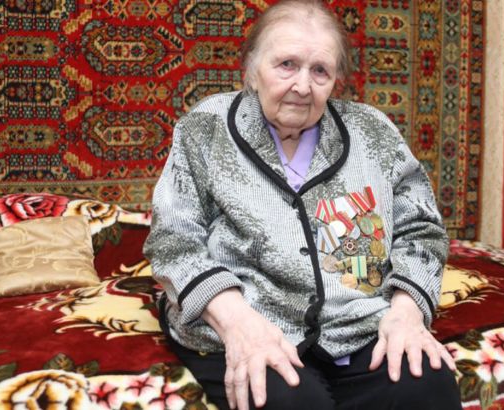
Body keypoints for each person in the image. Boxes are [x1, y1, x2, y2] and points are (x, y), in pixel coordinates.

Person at [144, 1, 462, 408]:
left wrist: (406, 312)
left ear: (336, 81)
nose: (302, 85)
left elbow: (421, 228)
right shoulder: (205, 128)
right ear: (251, 69)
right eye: (286, 65)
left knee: (425, 381)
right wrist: (239, 325)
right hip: (247, 319)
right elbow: (173, 242)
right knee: (289, 399)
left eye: (320, 71)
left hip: (356, 323)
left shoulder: (372, 132)